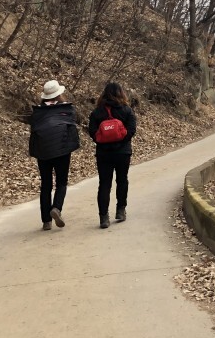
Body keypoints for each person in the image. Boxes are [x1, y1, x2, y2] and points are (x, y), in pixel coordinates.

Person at [28, 79, 80, 231]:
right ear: (59, 94)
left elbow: (33, 130)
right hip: (62, 150)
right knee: (61, 182)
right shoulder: (66, 109)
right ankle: (56, 208)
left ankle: (46, 221)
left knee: (46, 184)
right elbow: (72, 127)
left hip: (43, 151)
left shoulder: (38, 112)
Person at [87, 82, 137, 229]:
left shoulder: (97, 112)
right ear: (121, 93)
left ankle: (103, 217)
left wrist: (102, 142)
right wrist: (122, 141)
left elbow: (92, 131)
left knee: (104, 183)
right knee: (122, 180)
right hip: (123, 152)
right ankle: (120, 210)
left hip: (103, 153)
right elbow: (132, 130)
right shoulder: (126, 110)